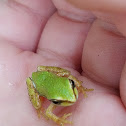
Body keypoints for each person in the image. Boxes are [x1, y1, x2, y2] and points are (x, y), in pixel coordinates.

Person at [0, 0, 126, 125]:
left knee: (66, 78)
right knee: (38, 105)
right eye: (59, 101)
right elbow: (48, 113)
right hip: (36, 81)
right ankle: (50, 97)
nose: (73, 98)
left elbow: (70, 77)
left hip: (45, 75)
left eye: (72, 85)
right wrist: (59, 120)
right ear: (55, 101)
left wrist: (78, 86)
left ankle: (63, 89)